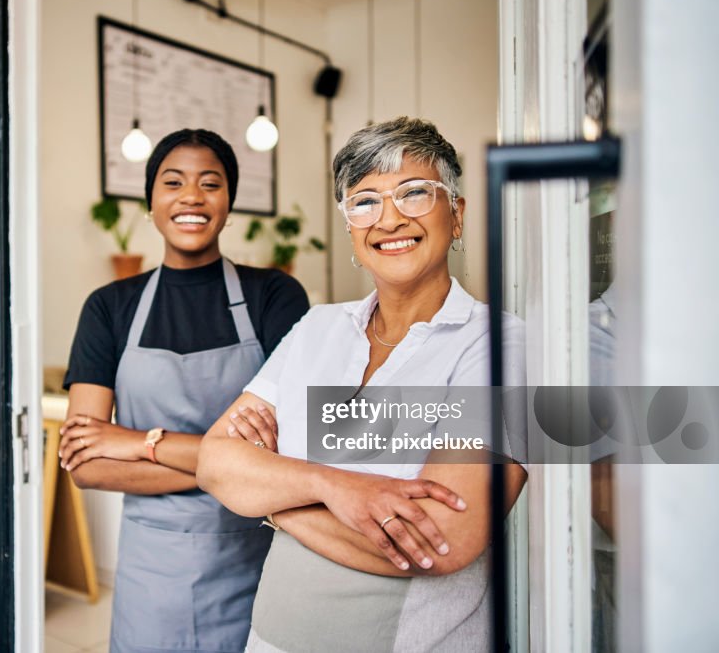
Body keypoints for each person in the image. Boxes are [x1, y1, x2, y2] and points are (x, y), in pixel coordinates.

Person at [198, 117, 528, 652]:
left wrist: (272, 497)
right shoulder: (317, 328)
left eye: (415, 194)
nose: (390, 219)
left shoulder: (500, 345)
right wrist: (337, 487)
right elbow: (215, 462)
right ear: (351, 227)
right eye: (365, 201)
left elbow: (441, 539)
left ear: (458, 214)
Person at [59, 129, 310, 653]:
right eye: (173, 182)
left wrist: (136, 442)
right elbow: (86, 464)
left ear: (229, 203)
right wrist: (235, 467)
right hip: (152, 574)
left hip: (257, 557)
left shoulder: (275, 296)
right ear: (151, 202)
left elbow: (288, 450)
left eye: (210, 183)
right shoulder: (109, 307)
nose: (191, 196)